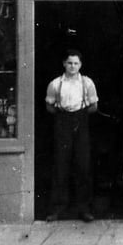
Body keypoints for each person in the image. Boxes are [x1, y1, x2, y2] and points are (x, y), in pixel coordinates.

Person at [45, 49, 99, 222]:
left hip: (81, 122)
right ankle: (57, 209)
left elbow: (94, 106)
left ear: (80, 65)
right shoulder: (55, 84)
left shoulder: (87, 83)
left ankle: (84, 209)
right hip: (62, 123)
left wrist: (78, 116)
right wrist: (64, 116)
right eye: (69, 63)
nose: (73, 66)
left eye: (76, 63)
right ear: (64, 64)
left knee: (83, 167)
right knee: (61, 166)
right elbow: (49, 106)